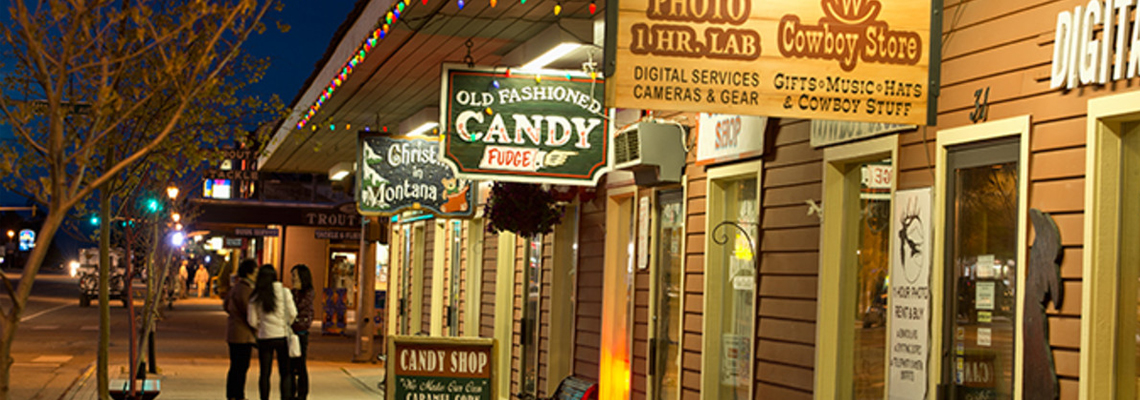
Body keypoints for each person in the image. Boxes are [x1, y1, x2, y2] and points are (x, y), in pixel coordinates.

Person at [248, 265, 296, 400]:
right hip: (282, 336)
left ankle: (264, 397)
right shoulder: (285, 292)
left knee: (264, 373)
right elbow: (292, 313)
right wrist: (285, 324)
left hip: (265, 337)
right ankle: (285, 397)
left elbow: (251, 320)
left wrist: (261, 325)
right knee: (285, 372)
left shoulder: (256, 295)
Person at [224, 259, 258, 400]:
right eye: (255, 271)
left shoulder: (236, 287)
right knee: (240, 367)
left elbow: (226, 305)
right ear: (249, 272)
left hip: (234, 333)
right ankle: (237, 395)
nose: (257, 274)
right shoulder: (245, 289)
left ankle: (234, 394)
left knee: (236, 366)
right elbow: (249, 312)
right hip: (242, 335)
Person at [289, 264, 315, 400]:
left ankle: (302, 393)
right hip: (291, 333)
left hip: (301, 333)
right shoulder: (292, 293)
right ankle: (292, 392)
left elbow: (299, 310)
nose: (293, 279)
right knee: (290, 365)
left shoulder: (308, 293)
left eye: (295, 275)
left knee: (300, 364)